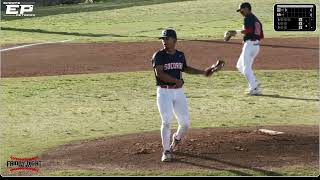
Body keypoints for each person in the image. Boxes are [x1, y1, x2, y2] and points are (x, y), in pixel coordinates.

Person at [151, 28, 224, 162]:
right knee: (166, 122)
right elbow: (159, 74)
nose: (164, 41)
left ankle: (176, 139)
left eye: (167, 39)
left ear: (175, 40)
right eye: (163, 39)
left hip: (178, 92)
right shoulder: (159, 55)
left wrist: (203, 72)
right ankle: (166, 151)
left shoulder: (180, 55)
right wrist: (175, 81)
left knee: (185, 124)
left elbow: (185, 68)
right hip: (164, 92)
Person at [226, 2, 264, 95]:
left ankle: (254, 88)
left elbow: (249, 30)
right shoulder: (255, 19)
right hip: (256, 45)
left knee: (246, 69)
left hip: (250, 45)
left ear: (247, 9)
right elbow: (261, 35)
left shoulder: (248, 18)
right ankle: (254, 82)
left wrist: (235, 32)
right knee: (239, 65)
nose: (241, 12)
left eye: (241, 10)